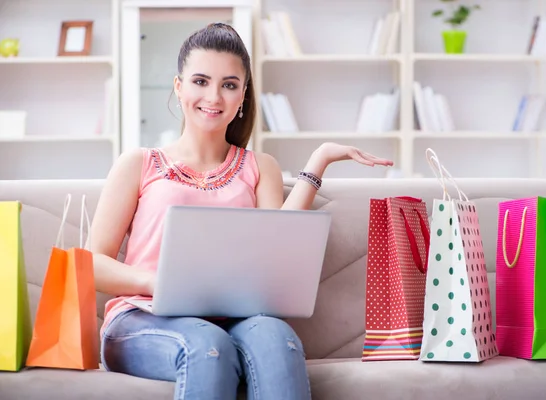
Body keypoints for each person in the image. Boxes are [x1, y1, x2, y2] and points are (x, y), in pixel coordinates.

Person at [91, 22, 393, 400]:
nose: (213, 96)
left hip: (235, 318)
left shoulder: (258, 166)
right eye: (200, 81)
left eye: (229, 84)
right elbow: (91, 263)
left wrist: (319, 161)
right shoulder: (138, 164)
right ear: (178, 86)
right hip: (144, 318)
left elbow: (279, 248)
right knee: (206, 347)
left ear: (243, 96)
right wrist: (161, 284)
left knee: (277, 340)